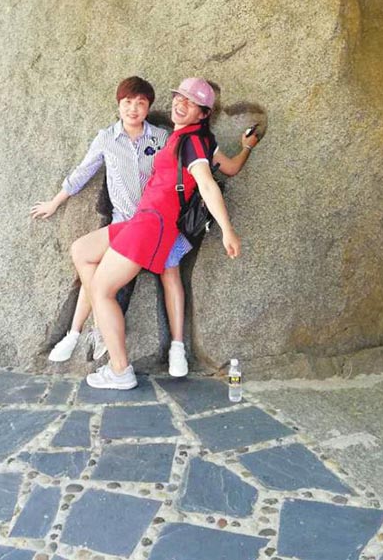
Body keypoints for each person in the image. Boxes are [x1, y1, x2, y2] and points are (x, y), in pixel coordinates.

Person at [68, 77, 259, 390]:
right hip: (142, 221)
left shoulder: (192, 143)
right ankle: (105, 325)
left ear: (203, 114)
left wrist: (227, 230)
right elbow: (231, 168)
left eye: (191, 103)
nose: (181, 104)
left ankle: (119, 369)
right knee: (81, 250)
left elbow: (207, 184)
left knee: (101, 291)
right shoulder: (196, 139)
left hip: (151, 225)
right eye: (179, 97)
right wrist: (247, 146)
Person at [30, 76, 194, 376]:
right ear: (119, 104)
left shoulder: (161, 137)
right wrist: (55, 202)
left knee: (170, 271)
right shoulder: (106, 138)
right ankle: (80, 332)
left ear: (148, 107)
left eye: (141, 103)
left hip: (155, 224)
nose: (133, 109)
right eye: (127, 102)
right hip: (123, 224)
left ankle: (177, 348)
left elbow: (192, 164)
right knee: (89, 263)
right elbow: (83, 171)